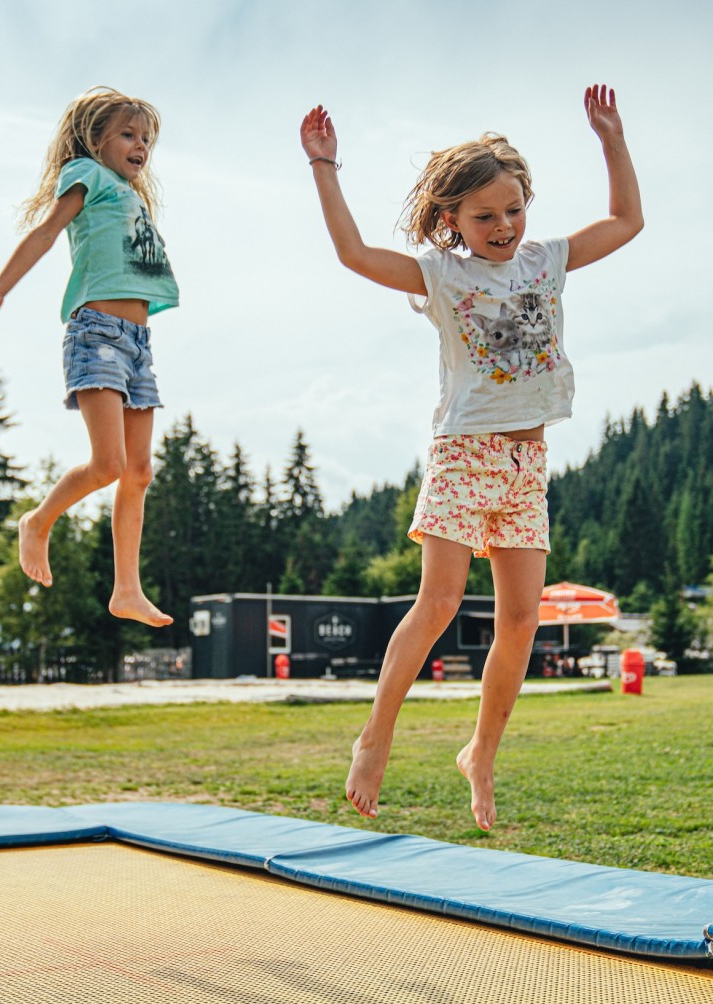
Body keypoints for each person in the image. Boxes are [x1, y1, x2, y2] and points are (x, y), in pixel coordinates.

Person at [300, 84, 643, 830]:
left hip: (527, 464)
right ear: (450, 218)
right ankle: (375, 735)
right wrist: (326, 166)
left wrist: (610, 138)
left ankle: (479, 753)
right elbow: (354, 253)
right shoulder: (442, 273)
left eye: (513, 209)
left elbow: (626, 220)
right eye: (484, 216)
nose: (503, 226)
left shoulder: (546, 261)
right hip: (464, 454)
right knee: (440, 601)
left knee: (521, 618)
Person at [0, 87, 179, 628]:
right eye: (129, 135)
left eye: (146, 139)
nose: (140, 146)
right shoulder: (88, 176)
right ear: (95, 140)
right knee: (107, 463)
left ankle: (126, 590)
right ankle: (37, 522)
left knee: (139, 471)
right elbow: (44, 233)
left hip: (138, 343)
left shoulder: (134, 197)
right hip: (98, 333)